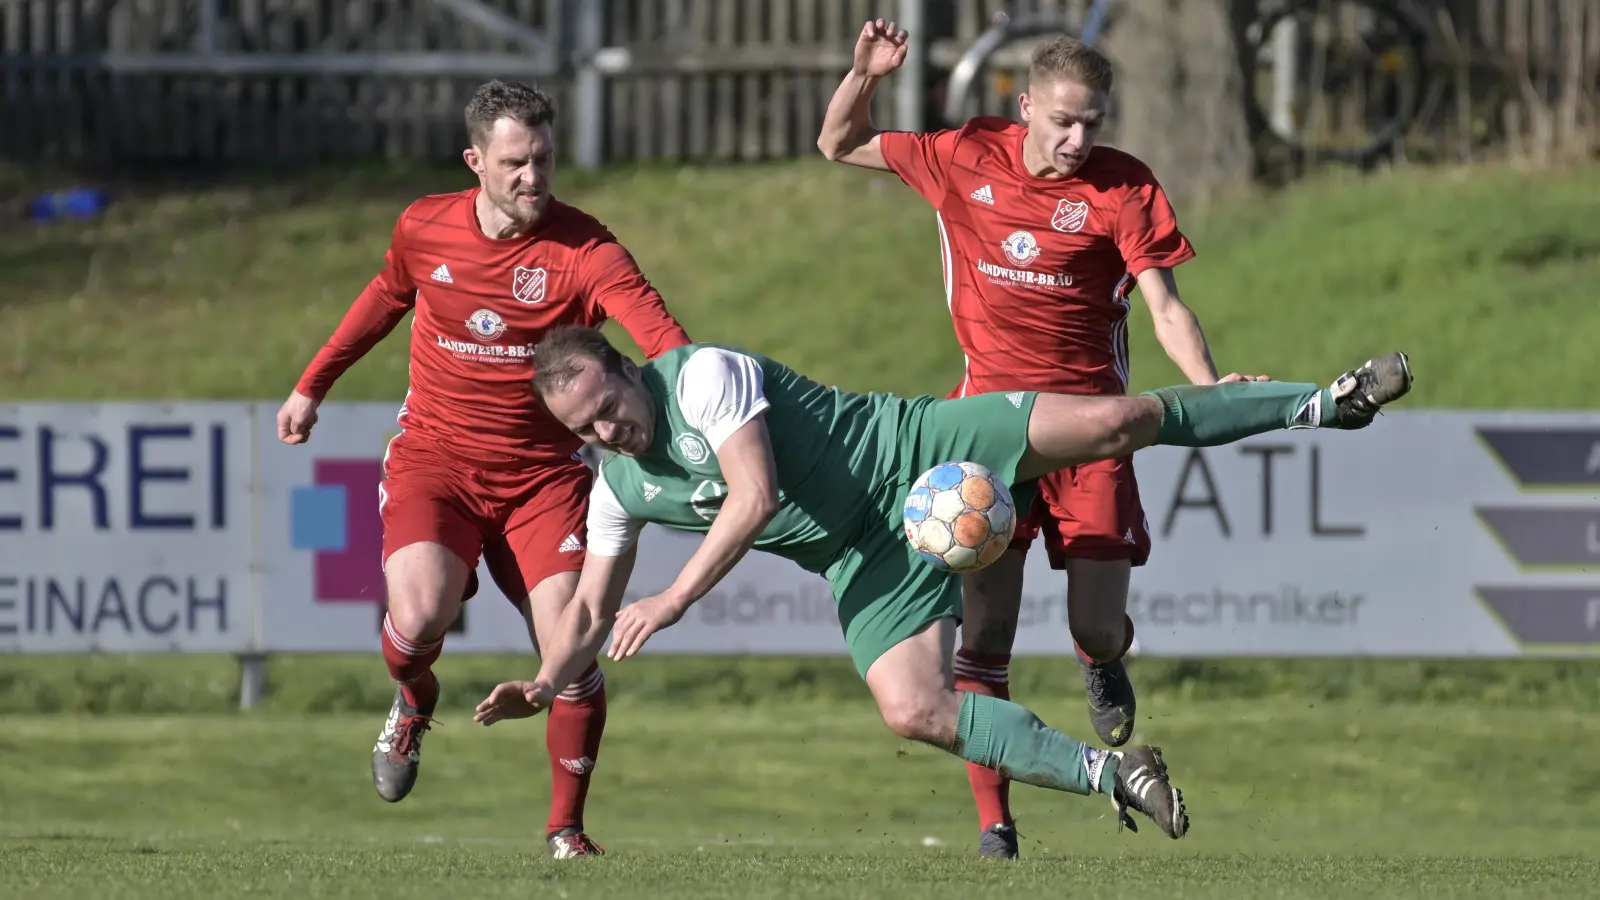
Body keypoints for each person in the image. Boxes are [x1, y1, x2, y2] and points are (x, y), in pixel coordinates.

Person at [470, 326, 1413, 841]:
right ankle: (1115, 777)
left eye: (609, 410)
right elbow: (590, 605)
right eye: (585, 431)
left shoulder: (702, 377)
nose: (607, 435)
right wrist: (548, 679)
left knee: (1119, 420)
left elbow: (752, 496)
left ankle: (1323, 402)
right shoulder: (618, 488)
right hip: (864, 558)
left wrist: (672, 601)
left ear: (629, 374)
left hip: (915, 447)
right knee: (913, 709)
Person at [816, 21, 1256, 856]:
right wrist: (863, 73)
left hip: (1089, 431)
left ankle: (1101, 660)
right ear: (1024, 109)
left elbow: (1164, 307)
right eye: (1061, 119)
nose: (1077, 137)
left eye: (1092, 121)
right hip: (987, 435)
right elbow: (837, 142)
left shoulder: (1122, 188)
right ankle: (995, 823)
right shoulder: (965, 154)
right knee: (983, 637)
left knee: (1095, 625)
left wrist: (1206, 391)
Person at [275, 80, 692, 858]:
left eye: (544, 159)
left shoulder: (585, 249)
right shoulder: (424, 227)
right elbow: (383, 296)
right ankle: (413, 698)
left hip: (544, 478)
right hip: (438, 460)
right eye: (515, 163)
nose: (534, 177)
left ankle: (566, 831)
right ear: (475, 162)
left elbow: (664, 339)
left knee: (571, 647)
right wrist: (311, 385)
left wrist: (701, 403)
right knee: (423, 613)